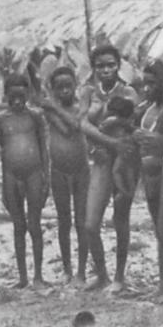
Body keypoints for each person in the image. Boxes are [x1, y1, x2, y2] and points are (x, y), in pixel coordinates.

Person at [77, 44, 140, 292]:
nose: (106, 70)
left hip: (124, 160)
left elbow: (131, 123)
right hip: (102, 159)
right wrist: (106, 141)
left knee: (120, 219)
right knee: (91, 223)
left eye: (111, 65)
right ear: (94, 68)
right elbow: (82, 124)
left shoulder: (128, 92)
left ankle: (119, 276)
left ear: (118, 66)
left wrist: (109, 133)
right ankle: (101, 273)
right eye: (101, 65)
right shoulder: (88, 92)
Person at [0, 73, 51, 289]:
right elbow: (3, 153)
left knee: (34, 224)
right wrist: (3, 184)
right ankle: (23, 278)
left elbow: (43, 149)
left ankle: (37, 276)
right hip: (10, 175)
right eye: (12, 97)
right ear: (6, 95)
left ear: (27, 94)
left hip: (34, 174)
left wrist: (47, 178)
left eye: (21, 96)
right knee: (18, 226)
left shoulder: (35, 116)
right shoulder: (0, 120)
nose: (17, 101)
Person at [133, 60, 163, 301]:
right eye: (145, 84)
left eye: (153, 83)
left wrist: (156, 140)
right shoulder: (147, 110)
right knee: (160, 231)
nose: (147, 88)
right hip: (149, 175)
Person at [39, 66, 90, 285]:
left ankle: (81, 271)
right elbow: (64, 127)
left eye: (69, 86)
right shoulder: (50, 111)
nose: (65, 91)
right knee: (63, 221)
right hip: (58, 170)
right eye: (59, 88)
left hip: (81, 170)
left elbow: (74, 126)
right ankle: (67, 269)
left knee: (81, 220)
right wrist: (53, 107)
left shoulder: (81, 106)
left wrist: (54, 106)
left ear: (75, 86)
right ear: (53, 89)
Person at [99, 96, 137, 202]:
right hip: (122, 150)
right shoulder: (126, 120)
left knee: (117, 171)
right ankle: (127, 192)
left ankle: (124, 192)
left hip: (122, 150)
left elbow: (101, 128)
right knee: (125, 171)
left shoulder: (117, 120)